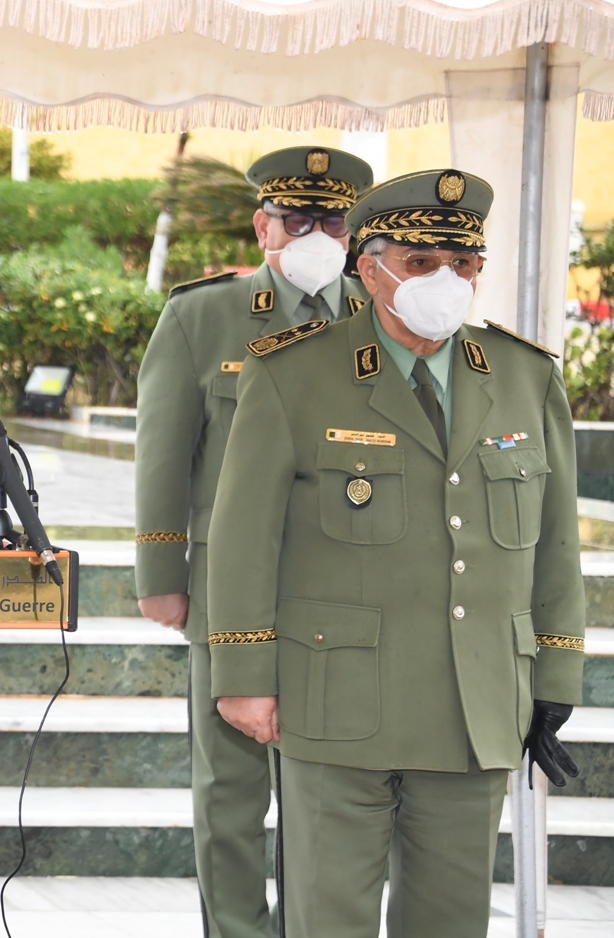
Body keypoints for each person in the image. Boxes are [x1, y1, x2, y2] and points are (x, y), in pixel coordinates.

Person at [205, 169, 586, 938]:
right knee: (329, 920)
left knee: (450, 922)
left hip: (473, 705)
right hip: (336, 701)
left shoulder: (524, 377)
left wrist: (555, 670)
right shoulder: (294, 373)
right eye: (420, 263)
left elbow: (554, 544)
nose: (445, 281)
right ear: (368, 266)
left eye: (463, 265)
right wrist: (244, 674)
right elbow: (244, 538)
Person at [134, 145, 372, 936]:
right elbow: (164, 454)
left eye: (331, 220)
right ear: (262, 226)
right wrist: (161, 573)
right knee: (231, 793)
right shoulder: (203, 316)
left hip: (345, 596)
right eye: (298, 219)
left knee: (329, 794)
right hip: (232, 593)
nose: (316, 235)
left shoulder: (380, 317)